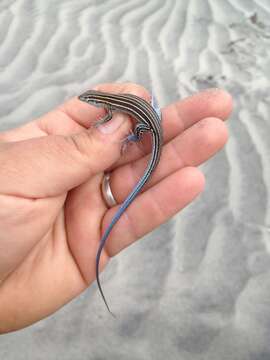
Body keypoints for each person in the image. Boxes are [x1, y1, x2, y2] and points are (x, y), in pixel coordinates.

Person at [0, 82, 232, 333]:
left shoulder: (111, 109)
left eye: (91, 100)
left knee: (139, 138)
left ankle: (135, 136)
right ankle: (141, 127)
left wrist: (122, 135)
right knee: (146, 134)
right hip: (151, 117)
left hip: (150, 126)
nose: (90, 102)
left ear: (99, 102)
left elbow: (111, 120)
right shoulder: (112, 103)